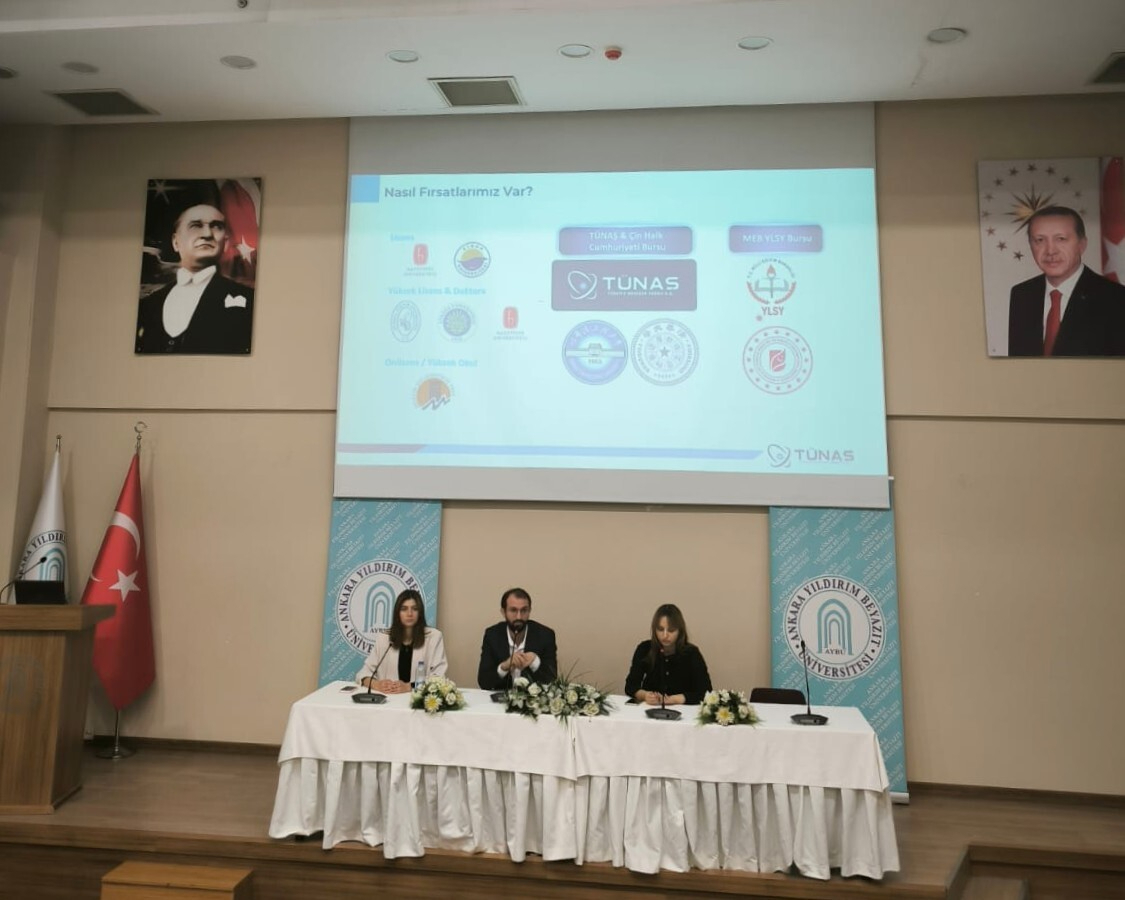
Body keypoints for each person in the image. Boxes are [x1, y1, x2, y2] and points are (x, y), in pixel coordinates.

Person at [135, 202, 255, 354]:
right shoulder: (148, 304)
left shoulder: (249, 299)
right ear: (176, 242)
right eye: (196, 226)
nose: (207, 234)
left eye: (216, 226)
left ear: (225, 242)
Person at [1007, 206, 1125, 357]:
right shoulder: (1022, 295)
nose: (1050, 251)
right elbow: (1017, 364)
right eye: (1039, 240)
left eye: (1061, 239)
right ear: (1031, 246)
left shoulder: (1116, 299)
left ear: (1081, 245)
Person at [356, 589, 447, 693]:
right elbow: (363, 674)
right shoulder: (384, 638)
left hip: (419, 698)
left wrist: (410, 686)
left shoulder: (434, 637)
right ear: (397, 613)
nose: (409, 613)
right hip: (389, 698)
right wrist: (376, 684)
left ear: (420, 613)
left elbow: (438, 677)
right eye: (404, 609)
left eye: (415, 609)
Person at [624, 603, 711, 705]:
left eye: (671, 630)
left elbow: (706, 693)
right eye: (660, 629)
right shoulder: (644, 649)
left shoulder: (692, 653)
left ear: (680, 631)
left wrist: (677, 699)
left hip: (683, 710)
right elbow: (630, 687)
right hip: (650, 708)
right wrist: (645, 695)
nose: (665, 635)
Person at [477, 587, 557, 690]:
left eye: (524, 610)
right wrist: (503, 667)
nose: (519, 617)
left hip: (532, 699)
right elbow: (483, 682)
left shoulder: (545, 636)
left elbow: (551, 681)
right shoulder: (492, 635)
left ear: (529, 611)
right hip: (500, 698)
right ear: (503, 612)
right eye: (513, 610)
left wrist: (535, 662)